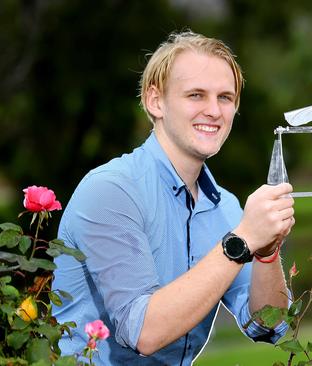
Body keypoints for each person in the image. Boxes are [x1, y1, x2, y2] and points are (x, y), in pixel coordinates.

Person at [53, 31, 295, 365]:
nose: (213, 110)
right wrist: (241, 241)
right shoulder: (111, 191)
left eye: (225, 97)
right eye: (196, 95)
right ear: (156, 101)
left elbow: (268, 324)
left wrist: (268, 250)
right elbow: (144, 332)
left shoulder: (225, 206)